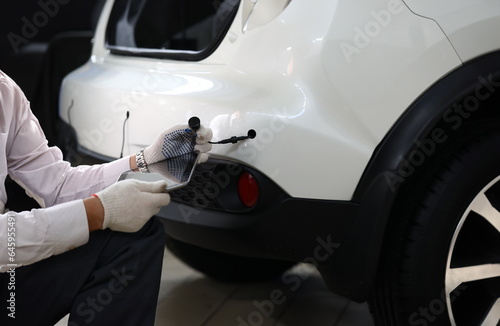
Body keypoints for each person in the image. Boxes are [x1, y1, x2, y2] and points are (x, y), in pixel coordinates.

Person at [0, 70, 212, 325]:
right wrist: (98, 211)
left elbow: (56, 183)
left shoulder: (5, 91)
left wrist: (144, 162)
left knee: (133, 239)